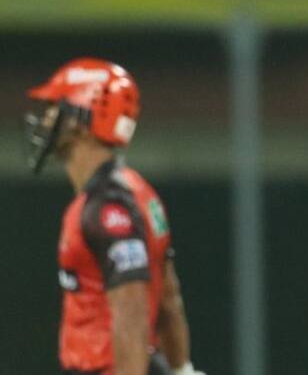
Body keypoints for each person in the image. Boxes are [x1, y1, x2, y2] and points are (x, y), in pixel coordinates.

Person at [24, 58, 206, 375]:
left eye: (56, 107)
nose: (48, 117)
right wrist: (182, 369)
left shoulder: (106, 207)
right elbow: (168, 298)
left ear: (80, 119)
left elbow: (131, 316)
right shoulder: (139, 192)